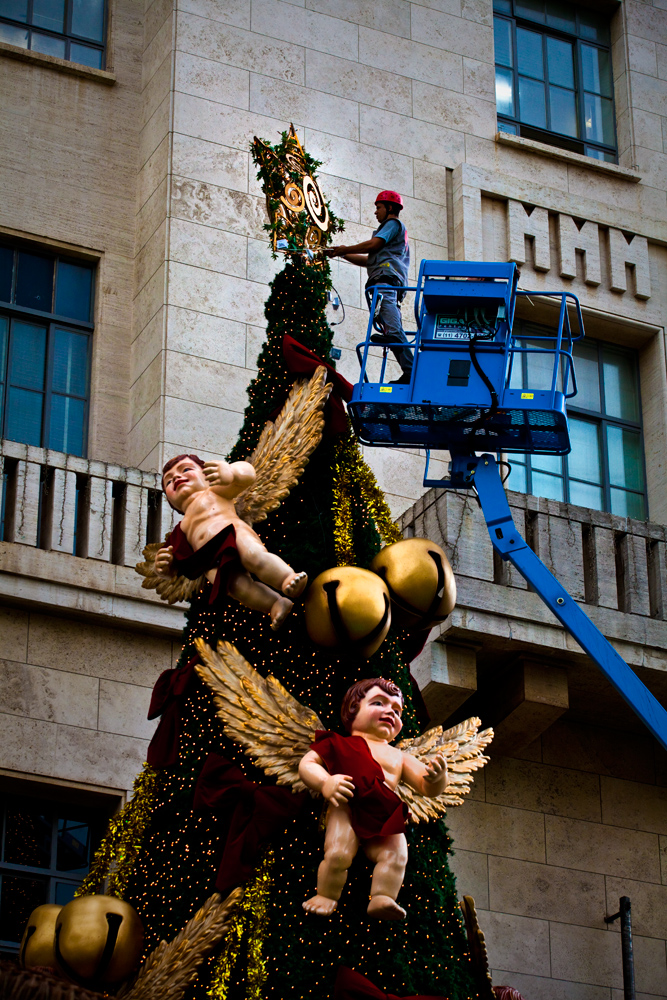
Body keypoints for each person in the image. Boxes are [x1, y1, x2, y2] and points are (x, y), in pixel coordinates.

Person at [298, 678, 448, 921]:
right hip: (347, 805)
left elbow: (425, 785)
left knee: (397, 854)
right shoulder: (337, 742)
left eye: (397, 710)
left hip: (384, 813)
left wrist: (438, 778)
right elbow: (307, 764)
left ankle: (383, 897)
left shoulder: (399, 756)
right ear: (353, 710)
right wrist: (325, 782)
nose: (391, 712)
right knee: (338, 853)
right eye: (379, 703)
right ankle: (326, 895)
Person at [155, 454, 307, 629]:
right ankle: (275, 604)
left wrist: (231, 472)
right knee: (238, 587)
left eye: (186, 469)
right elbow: (174, 564)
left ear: (206, 475)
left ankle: (287, 578)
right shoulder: (180, 529)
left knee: (254, 556)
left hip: (234, 534)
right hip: (211, 561)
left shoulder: (215, 492)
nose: (176, 477)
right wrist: (163, 567)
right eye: (169, 481)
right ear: (170, 501)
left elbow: (248, 474)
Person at [325, 191, 412, 383]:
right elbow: (368, 260)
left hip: (386, 282)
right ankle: (409, 370)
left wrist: (346, 248)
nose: (375, 212)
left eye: (378, 207)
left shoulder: (392, 224)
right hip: (385, 281)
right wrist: (341, 253)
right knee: (391, 328)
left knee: (393, 328)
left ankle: (411, 371)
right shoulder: (391, 238)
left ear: (390, 208)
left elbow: (373, 245)